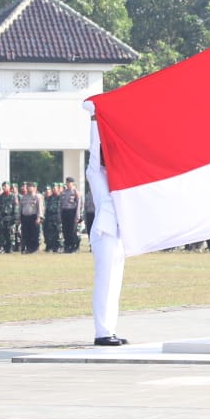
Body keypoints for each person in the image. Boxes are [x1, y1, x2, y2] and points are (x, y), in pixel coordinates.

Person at [86, 112, 128, 346]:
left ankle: (109, 329)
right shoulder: (96, 173)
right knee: (105, 281)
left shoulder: (118, 176)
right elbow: (94, 151)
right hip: (104, 232)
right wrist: (95, 121)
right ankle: (102, 332)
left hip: (118, 232)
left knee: (115, 283)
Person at [19, 182, 44, 253]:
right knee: (26, 233)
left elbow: (40, 208)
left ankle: (34, 248)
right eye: (27, 187)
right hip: (25, 217)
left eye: (30, 187)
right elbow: (20, 208)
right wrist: (19, 217)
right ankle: (28, 248)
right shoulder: (24, 197)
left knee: (34, 233)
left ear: (34, 188)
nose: (28, 188)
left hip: (34, 216)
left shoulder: (37, 196)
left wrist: (39, 217)